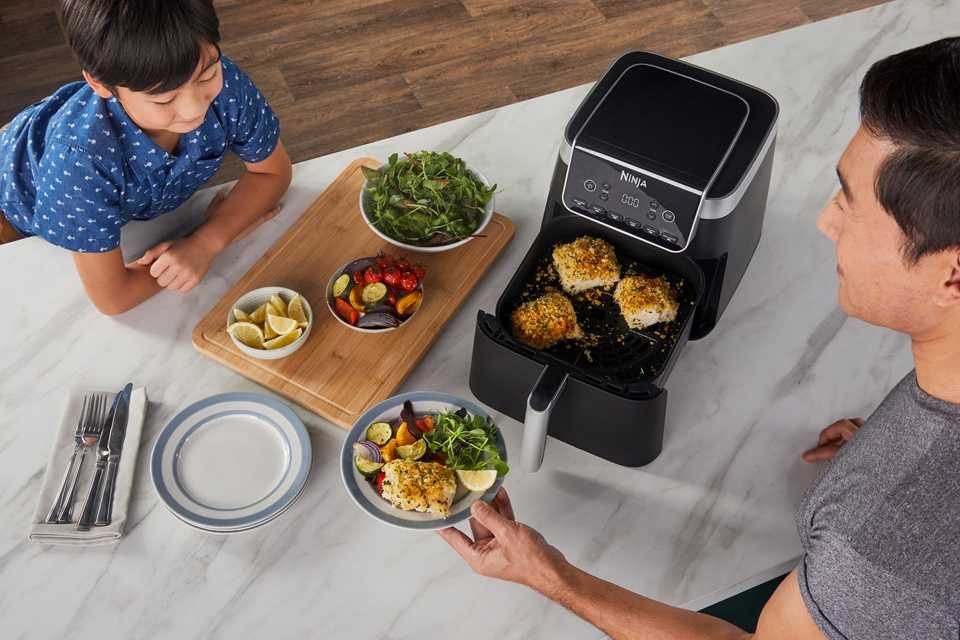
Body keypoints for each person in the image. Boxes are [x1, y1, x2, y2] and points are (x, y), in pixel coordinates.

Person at [440, 37, 960, 639]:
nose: (825, 220)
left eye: (850, 202)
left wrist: (549, 575)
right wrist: (890, 460)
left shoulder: (876, 552)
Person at [0, 0, 292, 315]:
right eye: (164, 98)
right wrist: (214, 240)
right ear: (100, 85)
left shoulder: (227, 82)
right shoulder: (78, 162)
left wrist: (208, 241)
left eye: (207, 75)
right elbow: (114, 298)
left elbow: (273, 173)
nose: (195, 108)